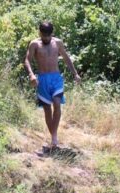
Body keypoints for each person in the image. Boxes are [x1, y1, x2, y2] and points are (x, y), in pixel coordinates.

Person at [24, 21, 81, 156]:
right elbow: (27, 60)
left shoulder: (58, 43)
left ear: (52, 33)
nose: (46, 38)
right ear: (40, 33)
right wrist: (31, 75)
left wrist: (75, 74)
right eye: (44, 36)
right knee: (47, 110)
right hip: (42, 79)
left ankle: (54, 137)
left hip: (56, 78)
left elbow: (67, 59)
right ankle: (54, 139)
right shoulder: (34, 44)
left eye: (48, 36)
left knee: (57, 103)